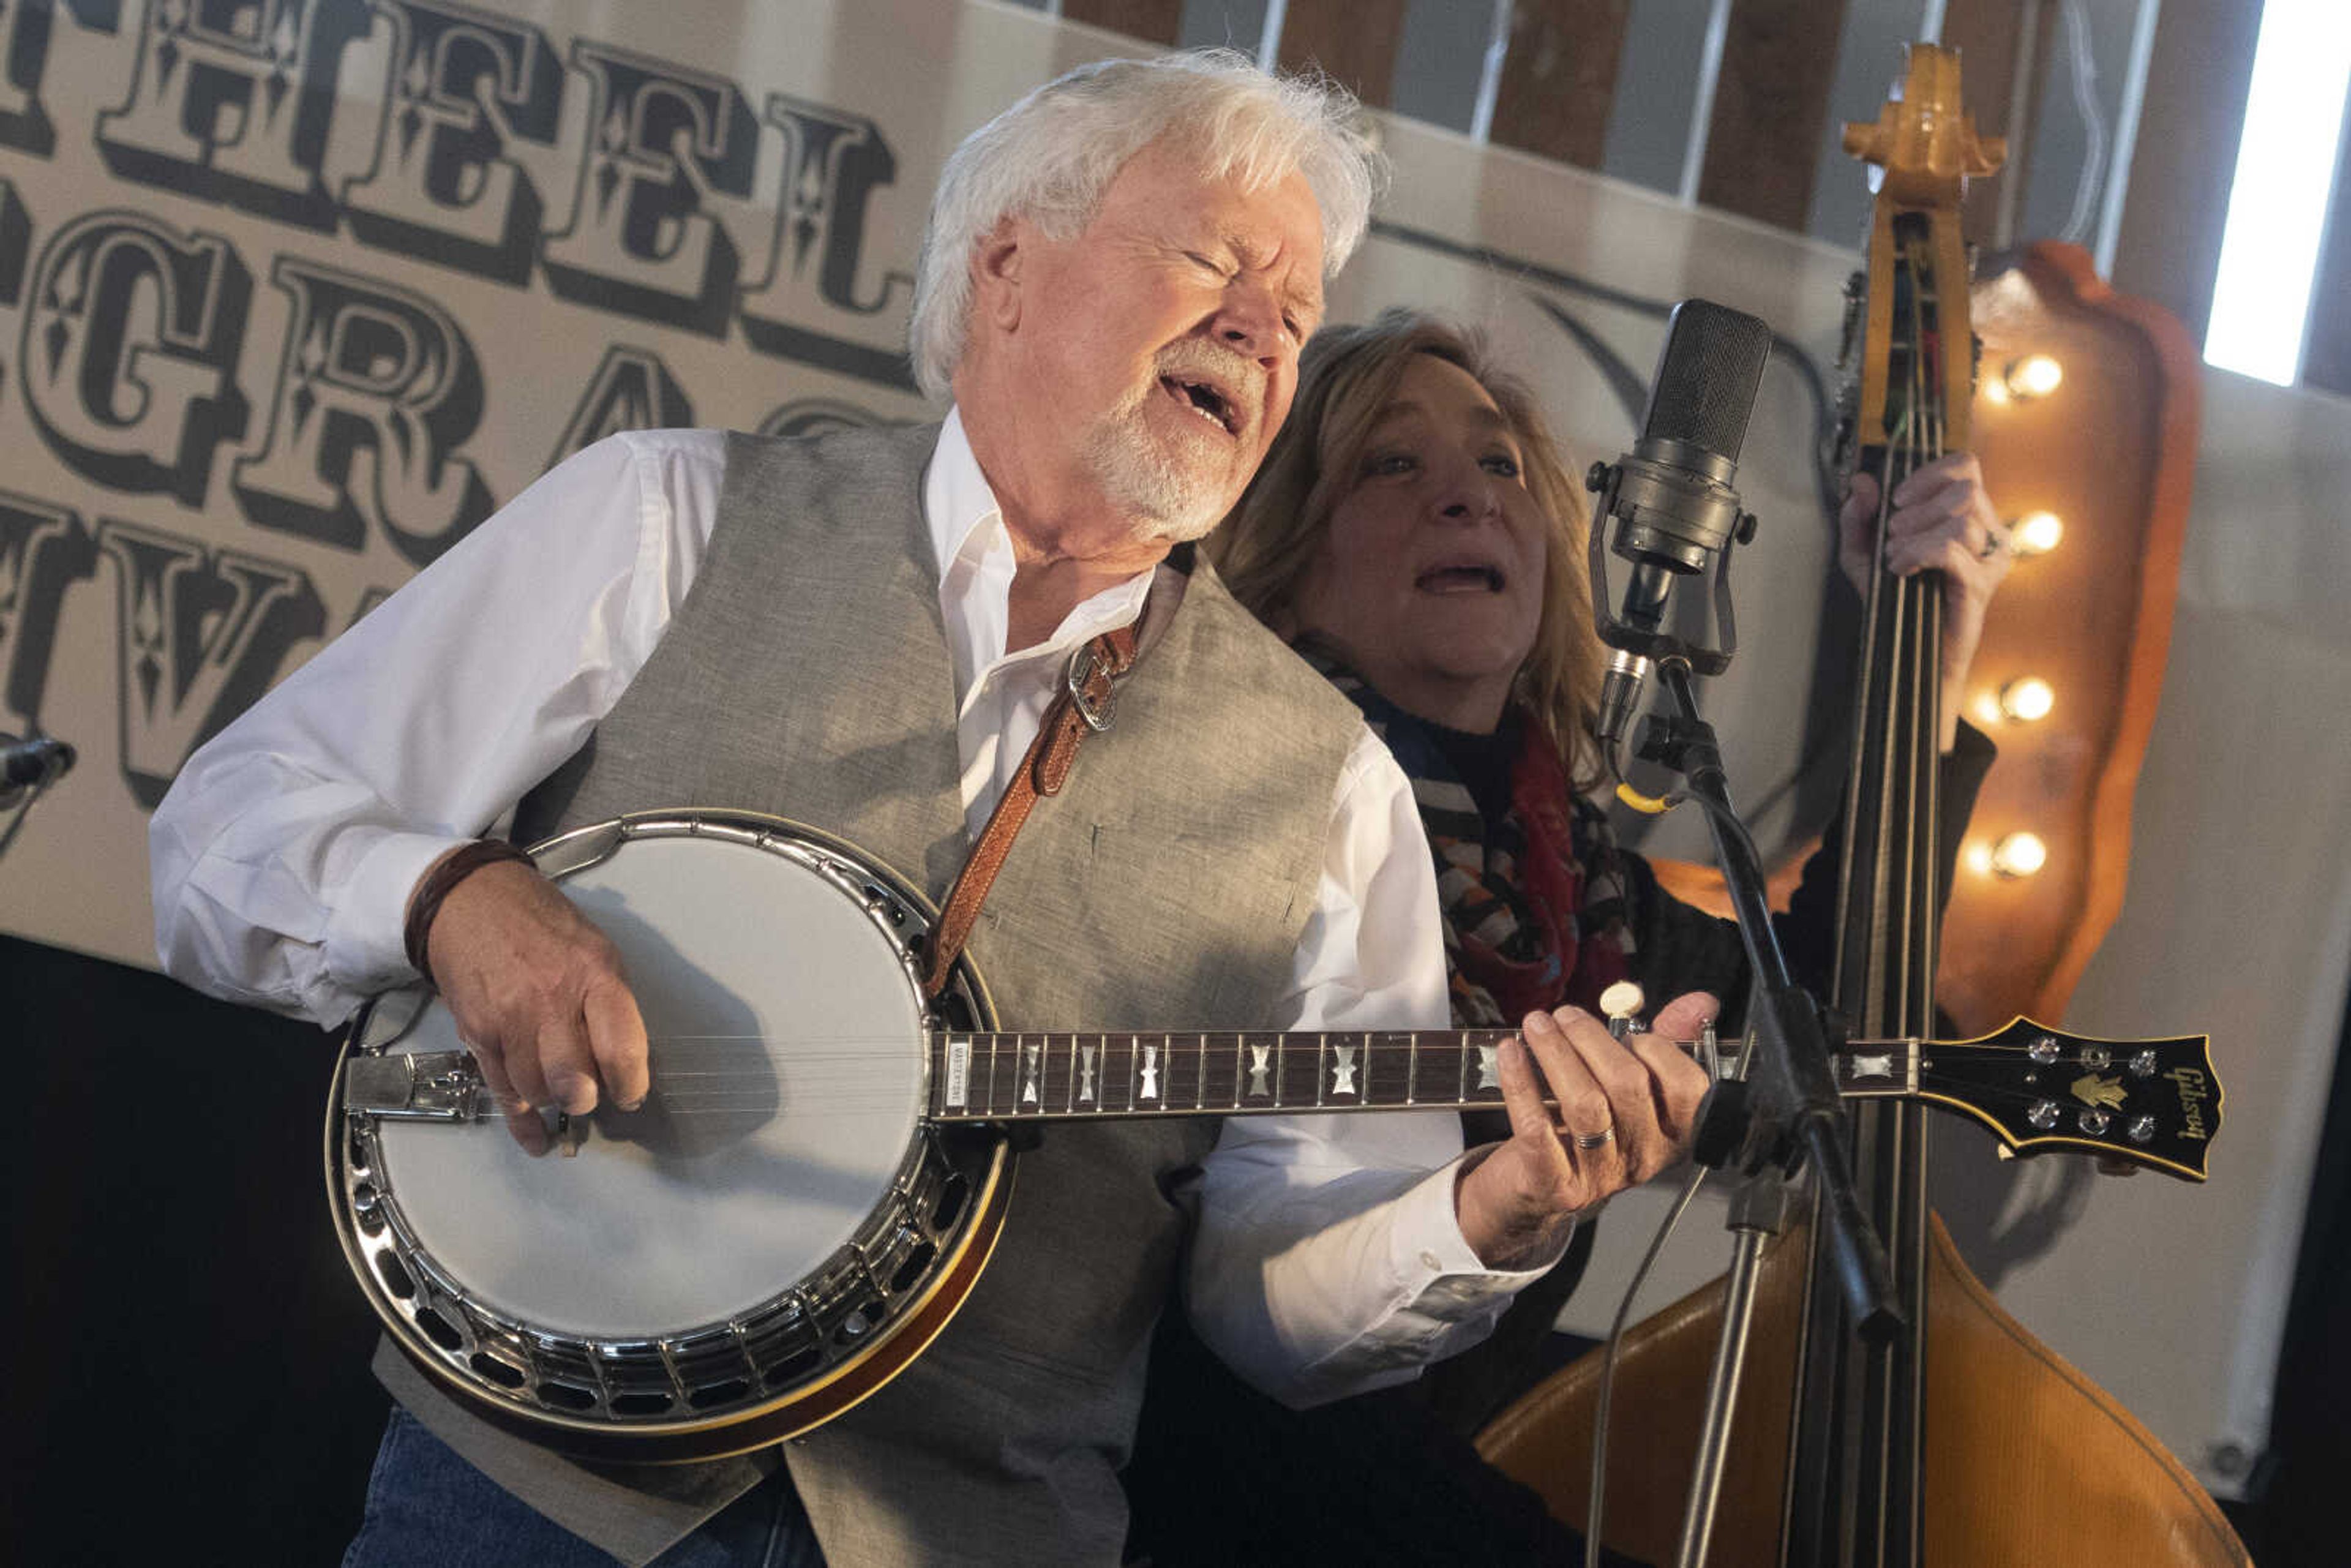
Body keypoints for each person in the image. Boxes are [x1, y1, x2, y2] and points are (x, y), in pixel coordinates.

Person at [149, 56, 1707, 1568]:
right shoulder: (670, 516)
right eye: (1215, 265)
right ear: (1010, 268)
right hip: (530, 1507)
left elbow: (1273, 1301)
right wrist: (453, 900)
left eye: (1294, 316)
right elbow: (230, 831)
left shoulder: (1330, 781)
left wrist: (1486, 1217)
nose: (1263, 331)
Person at [1123, 310, 2008, 1564]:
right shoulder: (1224, 816)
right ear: (1283, 552)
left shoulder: (1577, 904)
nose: (1467, 499)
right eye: (1390, 463)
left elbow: (1826, 1016)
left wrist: (1931, 665)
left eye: (1498, 466)